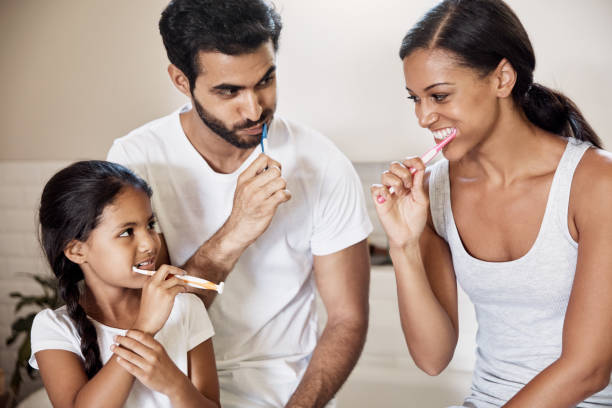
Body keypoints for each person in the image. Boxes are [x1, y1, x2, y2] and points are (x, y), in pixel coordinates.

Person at [106, 0, 373, 406]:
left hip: (286, 392)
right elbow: (138, 317)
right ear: (181, 79)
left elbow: (347, 320)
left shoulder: (323, 162)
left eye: (265, 81)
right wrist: (235, 232)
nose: (254, 109)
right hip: (169, 387)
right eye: (228, 91)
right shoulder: (135, 161)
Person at [371, 0, 612, 407]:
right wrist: (403, 245)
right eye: (415, 98)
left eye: (440, 96)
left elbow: (587, 369)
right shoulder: (434, 191)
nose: (424, 117)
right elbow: (432, 358)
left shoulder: (596, 184)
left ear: (502, 78)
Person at [29, 160, 220, 408]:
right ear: (77, 251)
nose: (150, 244)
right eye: (127, 232)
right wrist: (143, 329)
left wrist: (174, 384)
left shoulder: (185, 308)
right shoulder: (54, 328)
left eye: (150, 225)